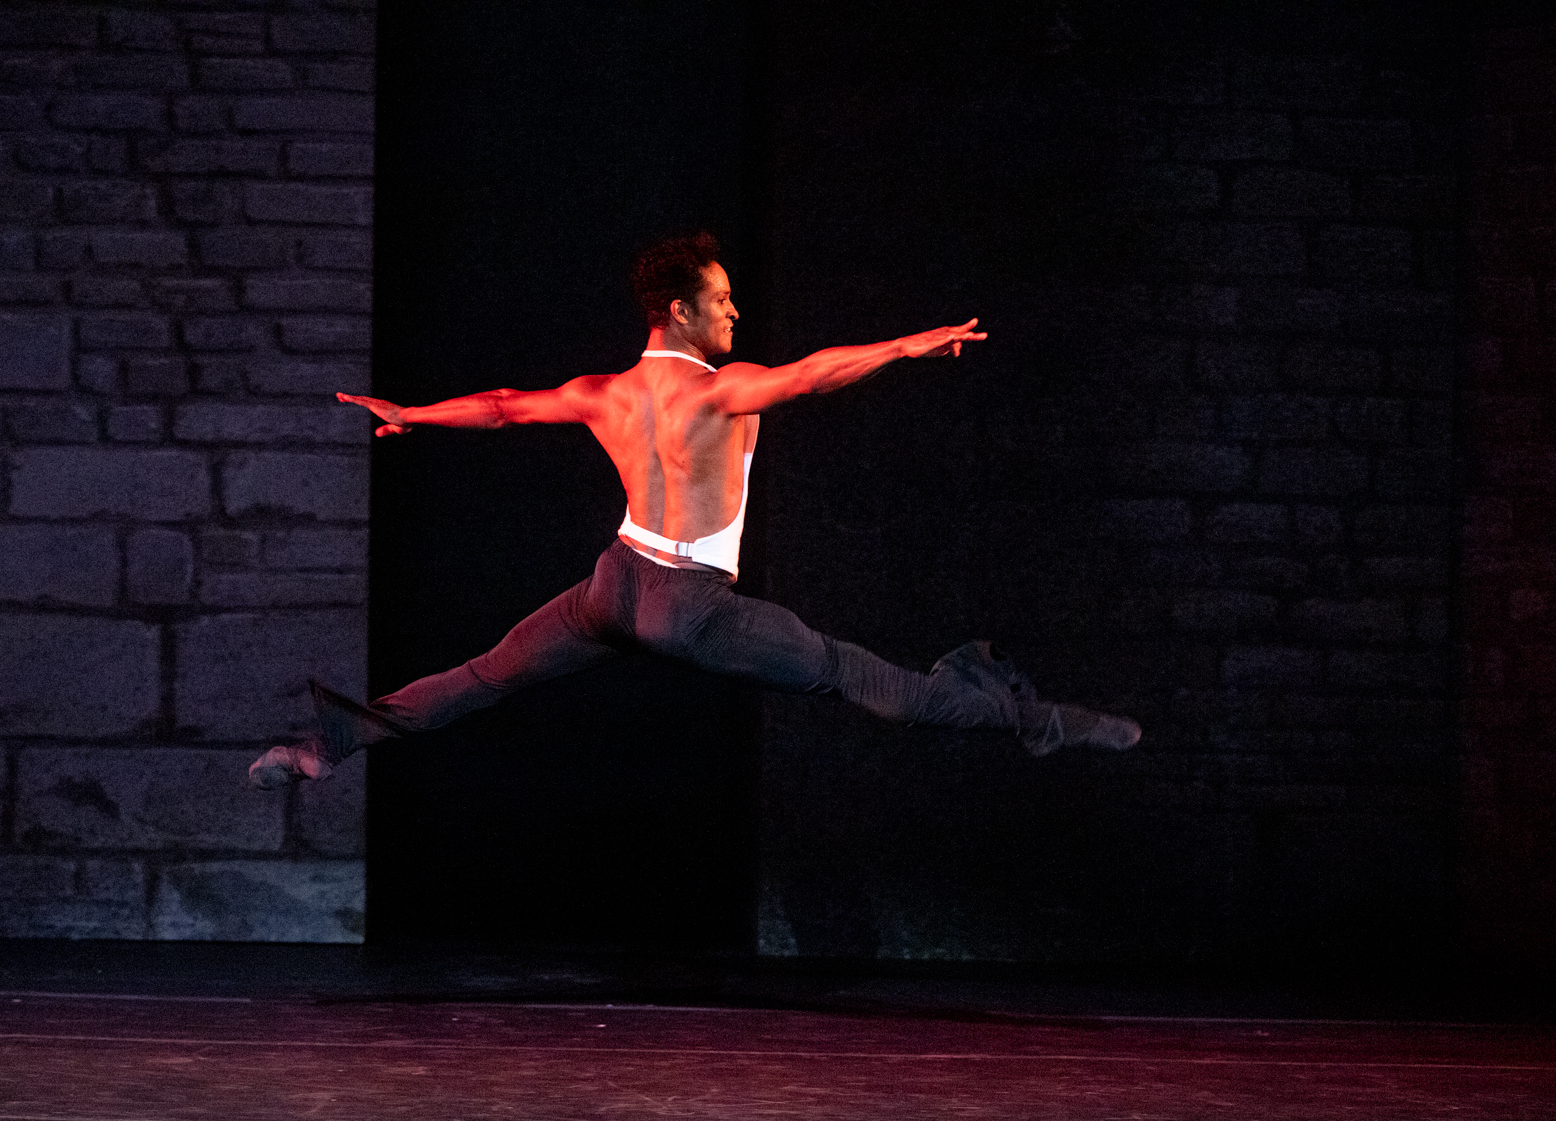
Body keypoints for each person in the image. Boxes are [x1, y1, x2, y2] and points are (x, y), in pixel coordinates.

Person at [249, 231, 1138, 789]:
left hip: (614, 586)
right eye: (719, 301)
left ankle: (329, 744)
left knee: (483, 678)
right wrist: (908, 345)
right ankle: (1041, 722)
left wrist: (413, 414)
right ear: (679, 311)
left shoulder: (603, 392)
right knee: (863, 679)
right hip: (688, 606)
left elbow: (503, 403)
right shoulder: (722, 391)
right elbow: (814, 373)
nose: (734, 311)